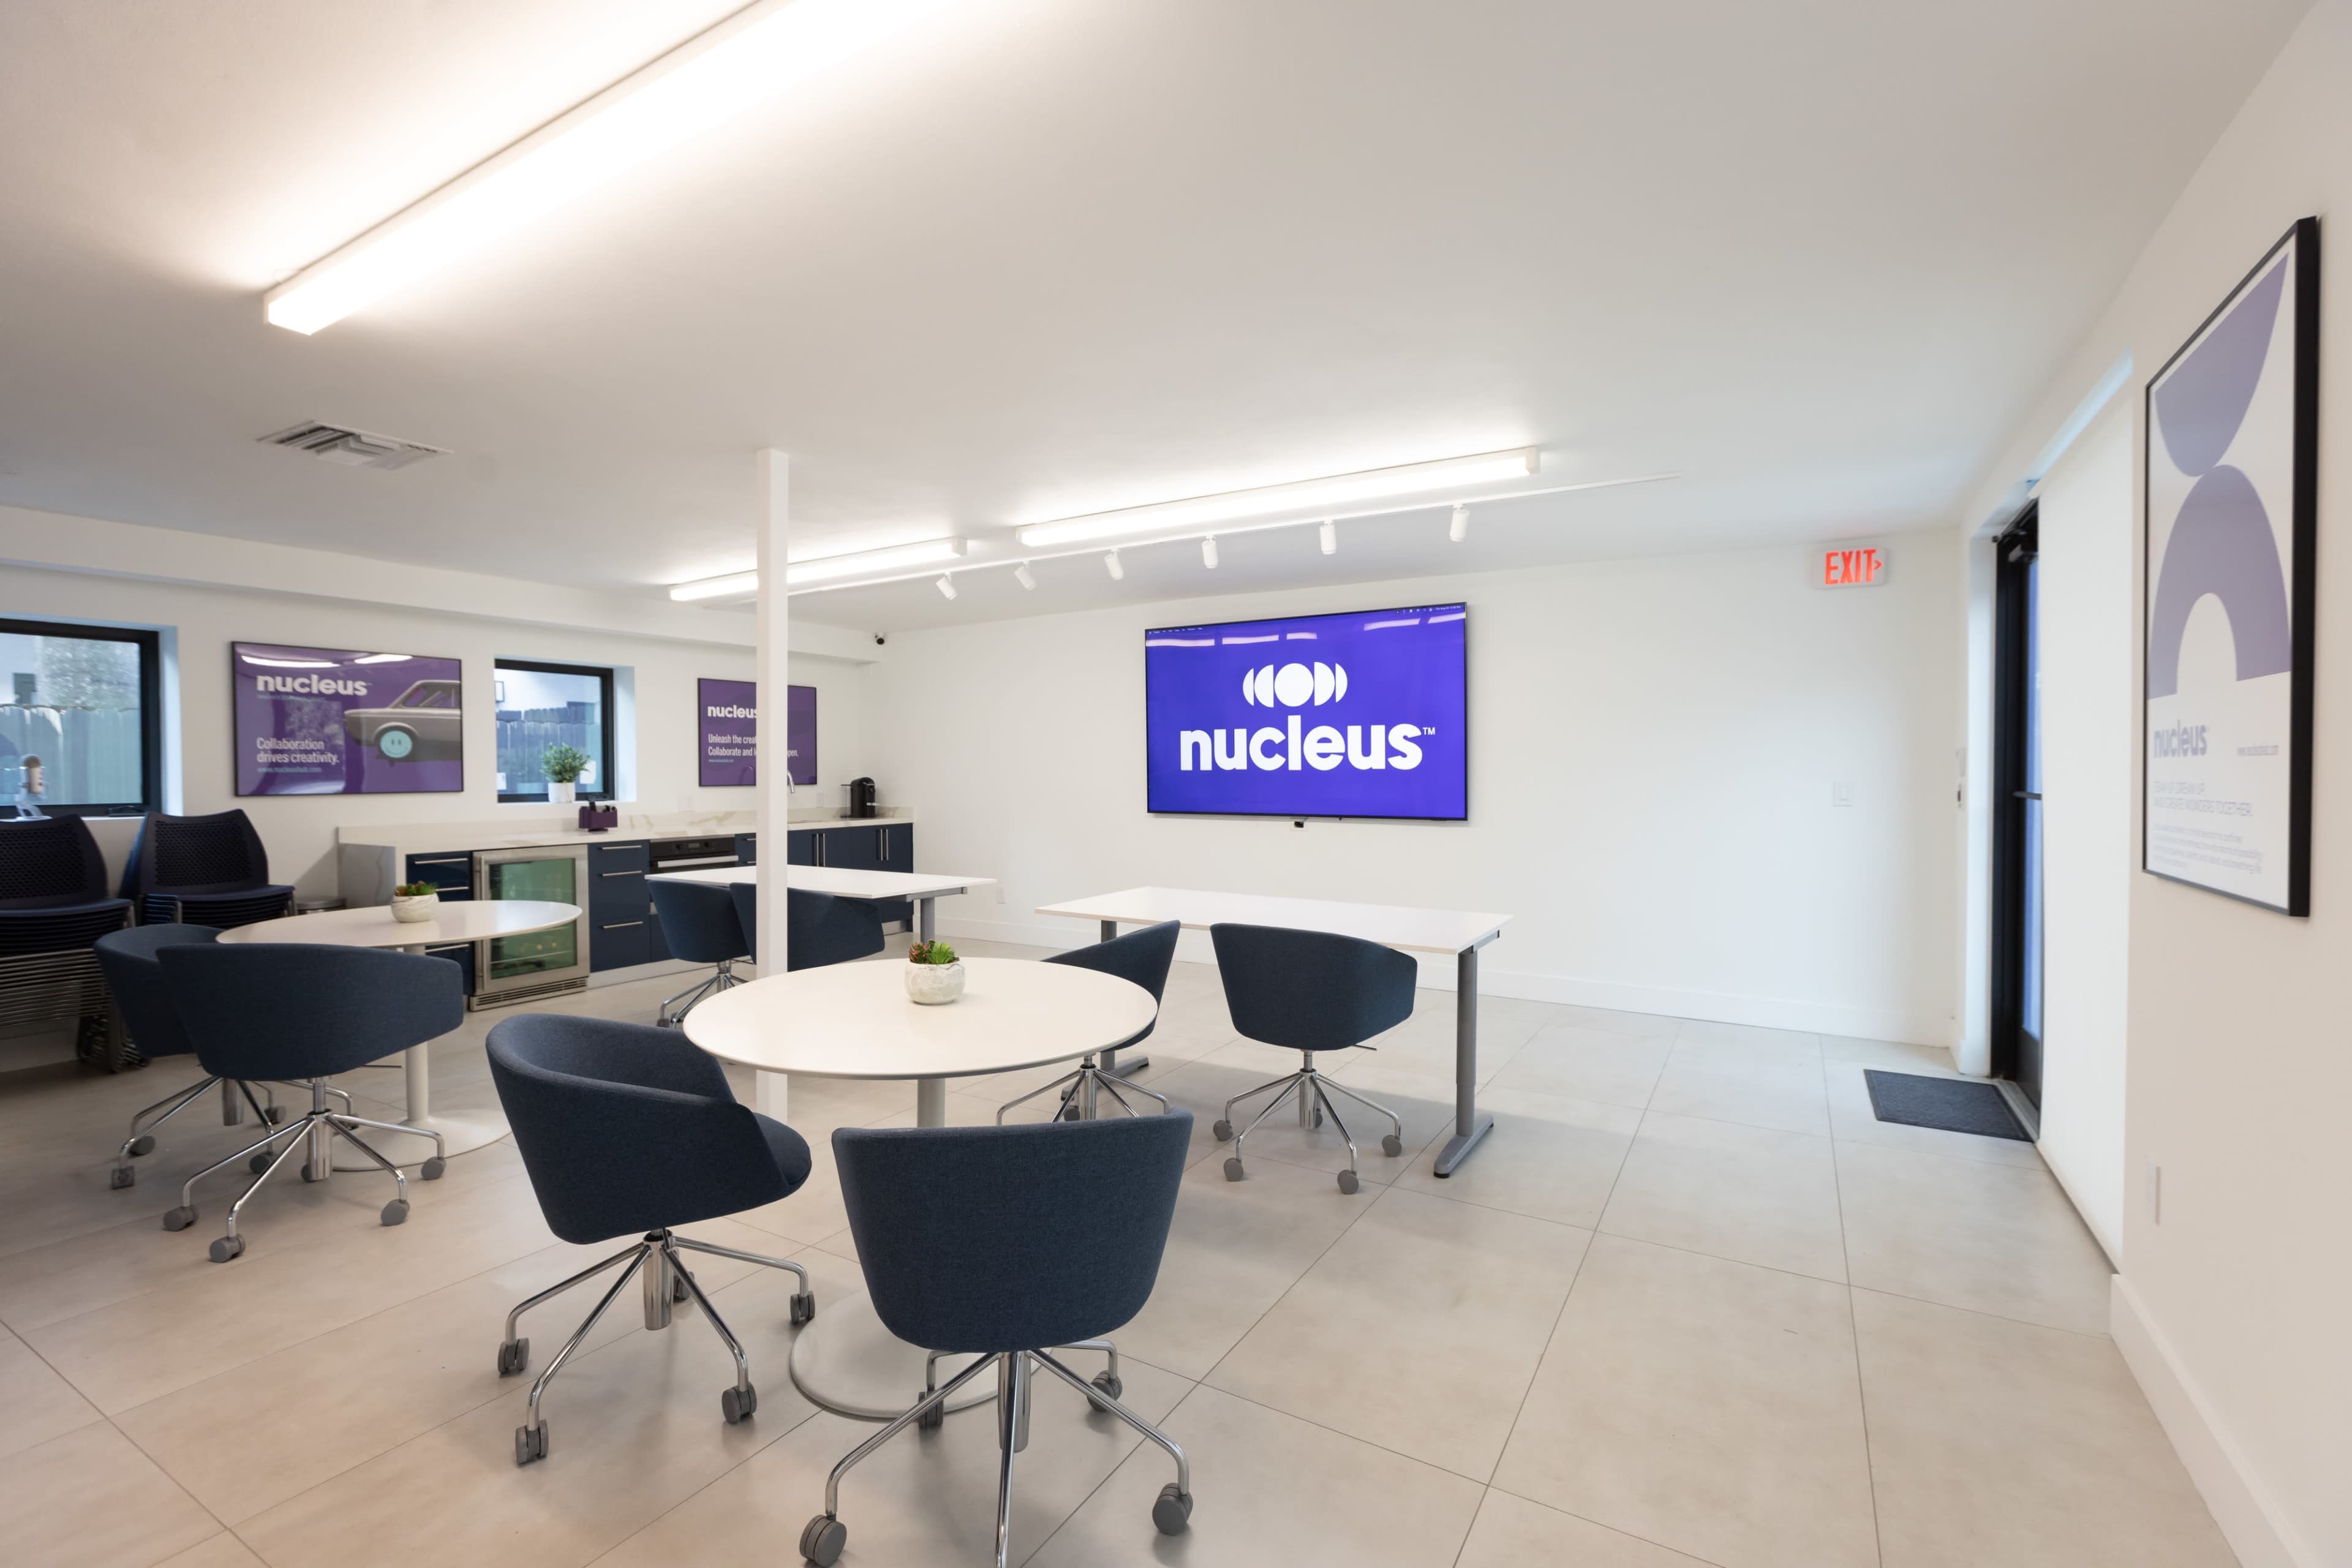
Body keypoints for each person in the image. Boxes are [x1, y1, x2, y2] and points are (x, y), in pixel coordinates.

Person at [13, 753, 46, 819]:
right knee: (25, 807)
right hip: (24, 798)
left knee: (34, 809)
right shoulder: (23, 775)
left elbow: (42, 795)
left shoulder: (38, 776)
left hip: (31, 797)